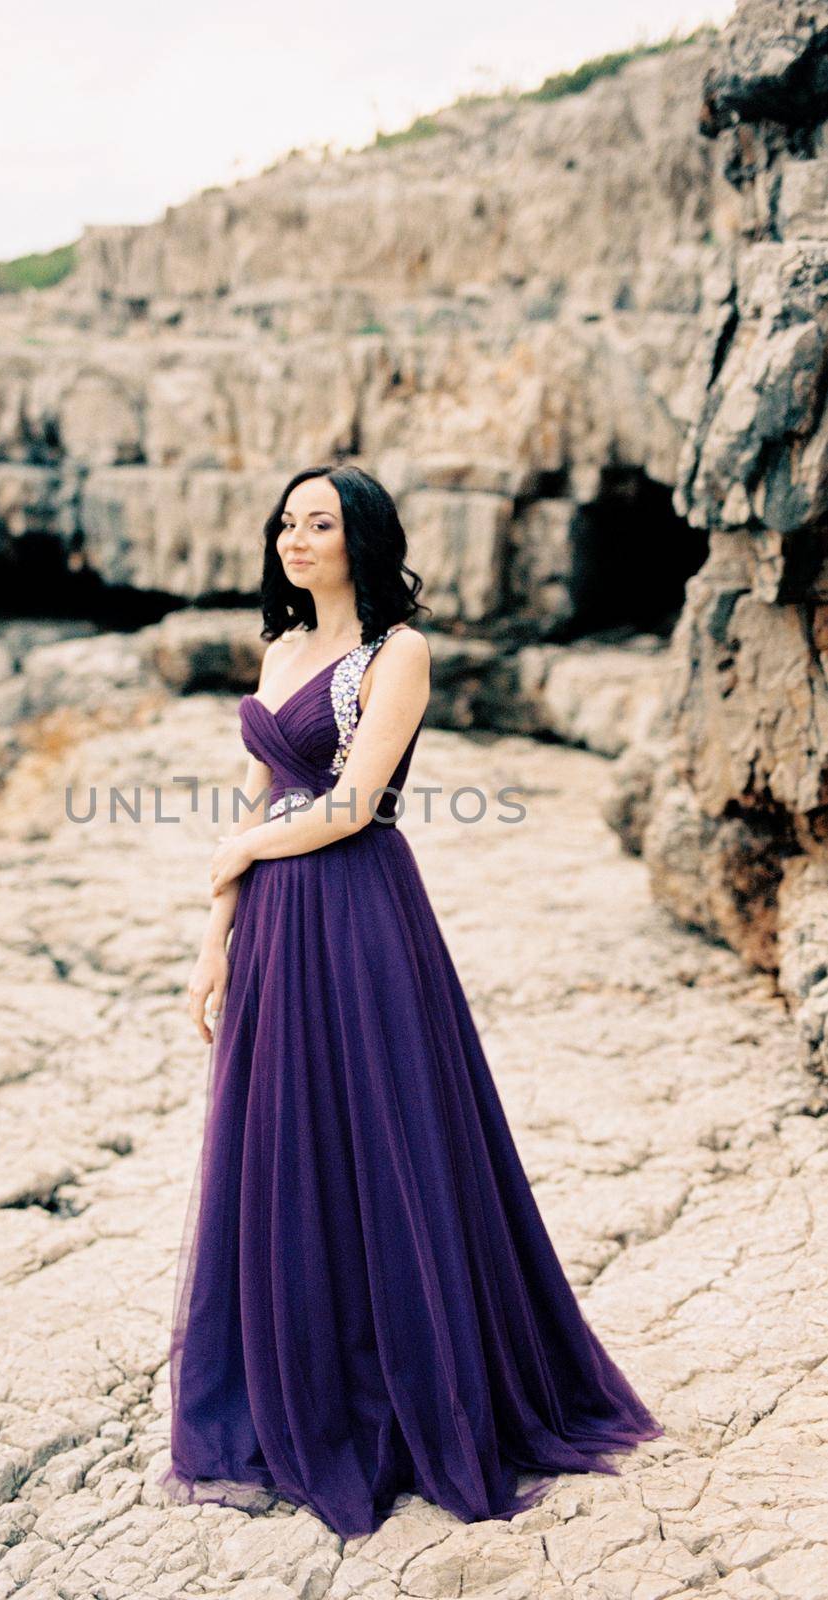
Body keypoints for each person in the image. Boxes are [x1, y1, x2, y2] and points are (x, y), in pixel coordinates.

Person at [158, 463, 664, 1539]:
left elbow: (347, 805)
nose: (295, 539)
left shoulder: (397, 654)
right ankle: (298, 1384)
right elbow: (250, 801)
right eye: (285, 522)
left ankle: (414, 1396)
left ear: (363, 538)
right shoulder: (282, 647)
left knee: (388, 1142)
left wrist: (248, 841)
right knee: (284, 1143)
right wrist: (215, 938)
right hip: (276, 925)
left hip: (359, 911)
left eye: (320, 523)